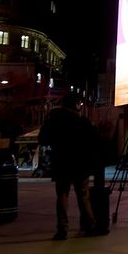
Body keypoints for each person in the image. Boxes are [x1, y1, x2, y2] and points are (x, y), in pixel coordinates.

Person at [38, 92, 97, 241]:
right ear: (75, 105)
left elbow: (43, 139)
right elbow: (93, 141)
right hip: (79, 163)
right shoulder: (81, 121)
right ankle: (90, 225)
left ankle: (62, 229)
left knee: (62, 195)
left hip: (61, 161)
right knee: (83, 195)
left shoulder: (53, 119)